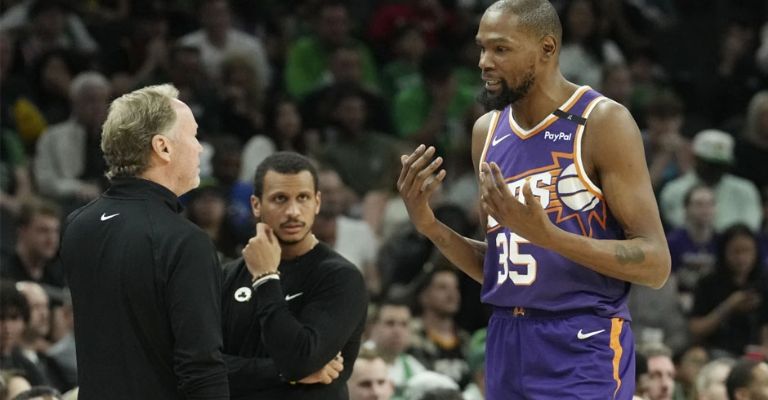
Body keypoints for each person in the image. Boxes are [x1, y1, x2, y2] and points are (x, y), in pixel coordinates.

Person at [397, 0, 671, 398]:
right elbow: (504, 268)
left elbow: (656, 263)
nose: (484, 62)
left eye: (500, 49)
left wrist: (550, 237)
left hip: (581, 341)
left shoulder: (601, 122)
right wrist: (429, 226)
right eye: (482, 47)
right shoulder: (486, 133)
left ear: (546, 49)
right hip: (507, 339)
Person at [58, 84, 229, 399]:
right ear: (163, 147)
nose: (200, 148)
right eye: (192, 136)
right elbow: (201, 367)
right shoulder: (185, 241)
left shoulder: (77, 225)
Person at [221, 151, 368, 399]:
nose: (293, 211)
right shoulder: (228, 275)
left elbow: (299, 360)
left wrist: (266, 278)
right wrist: (281, 374)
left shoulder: (341, 278)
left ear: (317, 203)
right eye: (280, 199)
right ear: (256, 205)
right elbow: (199, 366)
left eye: (303, 198)